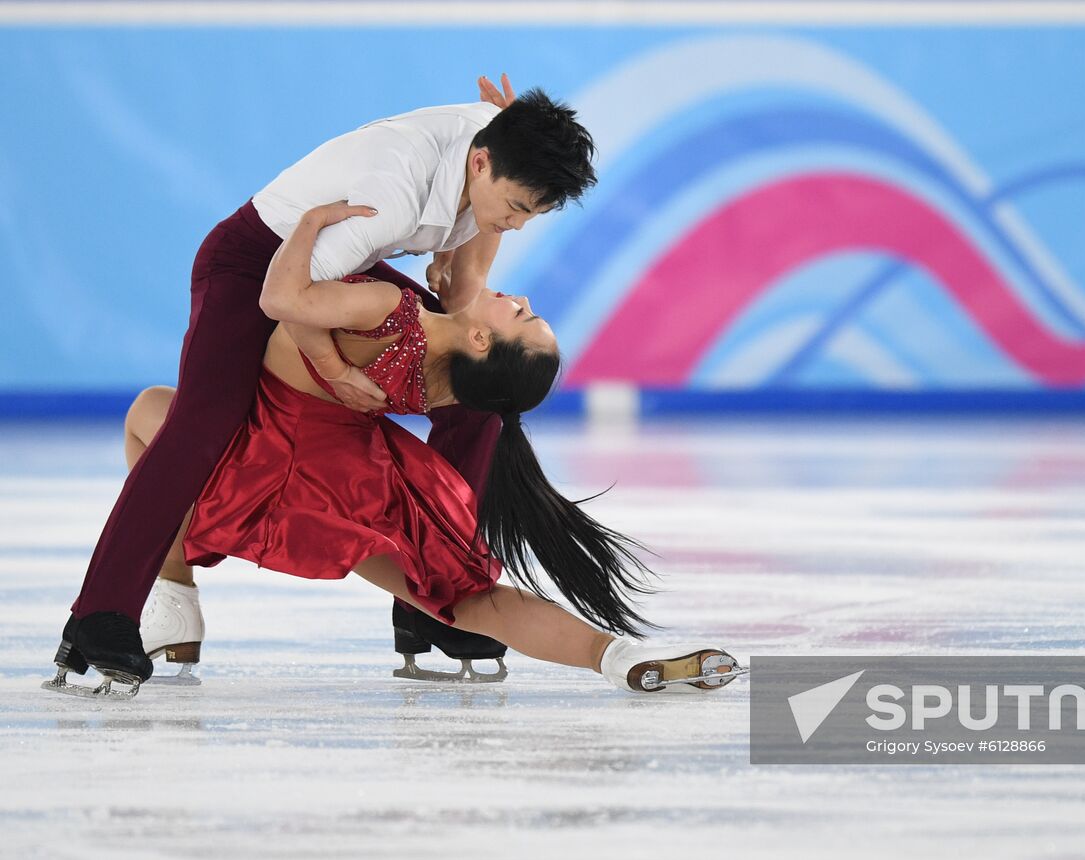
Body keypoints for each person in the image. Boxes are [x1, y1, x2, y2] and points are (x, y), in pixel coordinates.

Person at [46, 201, 746, 700]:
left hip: (261, 464)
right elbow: (471, 277)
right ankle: (614, 653)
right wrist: (490, 214)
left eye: (523, 315)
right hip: (358, 486)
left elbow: (280, 297)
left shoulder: (388, 312)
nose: (522, 298)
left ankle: (174, 596)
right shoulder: (448, 380)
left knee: (150, 415)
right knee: (471, 601)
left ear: (484, 341)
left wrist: (307, 227)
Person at [51, 78, 591, 689]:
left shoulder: (501, 142)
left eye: (531, 214)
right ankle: (100, 610)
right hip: (257, 265)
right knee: (206, 422)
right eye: (515, 207)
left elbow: (463, 289)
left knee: (475, 396)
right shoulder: (392, 190)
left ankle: (435, 593)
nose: (516, 223)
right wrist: (337, 372)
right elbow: (289, 299)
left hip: (328, 269)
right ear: (480, 160)